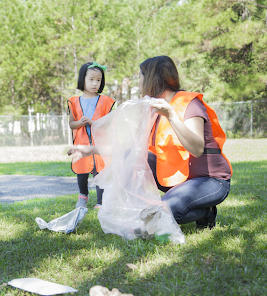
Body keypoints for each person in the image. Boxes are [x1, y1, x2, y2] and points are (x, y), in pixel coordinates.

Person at [69, 56, 232, 229]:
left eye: (140, 77)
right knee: (136, 159)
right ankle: (168, 204)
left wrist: (171, 116)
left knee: (166, 211)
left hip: (210, 180)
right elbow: (128, 150)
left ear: (151, 78)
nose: (138, 83)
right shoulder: (153, 109)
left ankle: (206, 212)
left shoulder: (189, 104)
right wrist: (91, 149)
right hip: (181, 180)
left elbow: (198, 148)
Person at [68, 61, 115, 209]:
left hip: (99, 144)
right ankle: (83, 197)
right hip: (82, 144)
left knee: (99, 172)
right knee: (81, 173)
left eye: (98, 80)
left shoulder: (106, 101)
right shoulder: (74, 102)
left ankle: (101, 202)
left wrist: (93, 122)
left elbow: (108, 123)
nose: (95, 83)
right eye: (91, 79)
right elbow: (71, 124)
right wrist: (80, 123)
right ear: (83, 79)